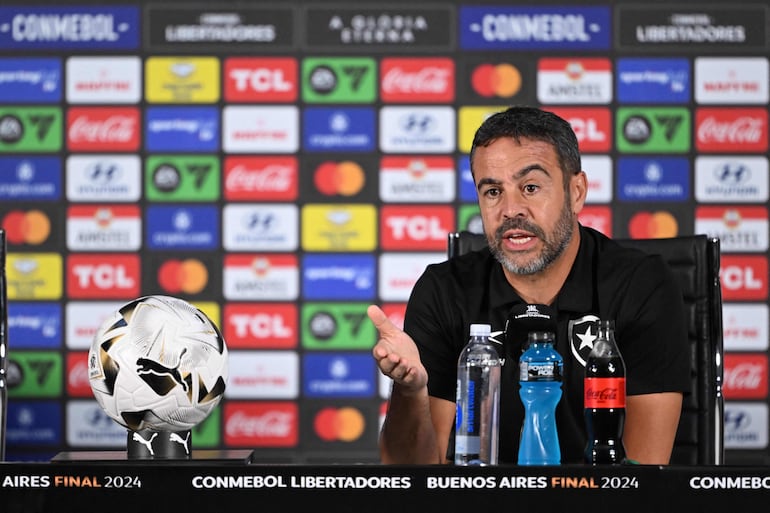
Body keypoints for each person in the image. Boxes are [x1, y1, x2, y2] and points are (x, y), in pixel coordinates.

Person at [367, 105, 689, 465]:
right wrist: (411, 393)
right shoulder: (443, 290)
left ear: (576, 192)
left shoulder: (641, 285)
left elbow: (638, 477)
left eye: (531, 187)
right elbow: (412, 474)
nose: (510, 210)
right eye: (492, 192)